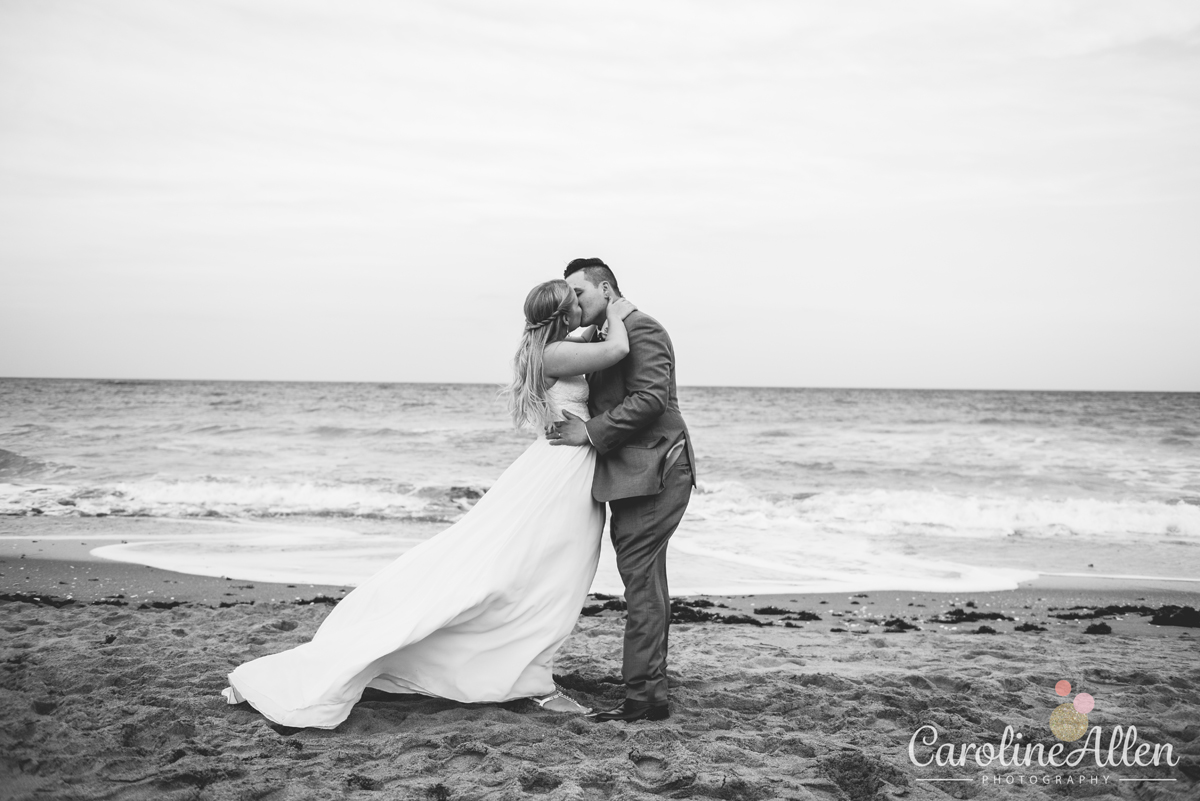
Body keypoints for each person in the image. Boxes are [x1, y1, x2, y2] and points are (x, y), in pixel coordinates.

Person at [219, 279, 637, 728]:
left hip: (559, 470)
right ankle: (533, 680)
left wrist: (592, 326)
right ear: (561, 314)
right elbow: (616, 350)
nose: (582, 304)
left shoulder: (550, 349)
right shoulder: (555, 354)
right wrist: (616, 307)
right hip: (559, 477)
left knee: (545, 576)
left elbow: (590, 347)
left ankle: (525, 669)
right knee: (545, 579)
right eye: (575, 300)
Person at [547, 257, 696, 723]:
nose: (573, 303)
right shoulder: (608, 333)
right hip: (635, 473)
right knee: (645, 582)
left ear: (606, 289)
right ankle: (649, 692)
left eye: (580, 294)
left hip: (656, 471)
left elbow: (651, 399)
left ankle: (642, 700)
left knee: (641, 583)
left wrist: (588, 432)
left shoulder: (643, 329)